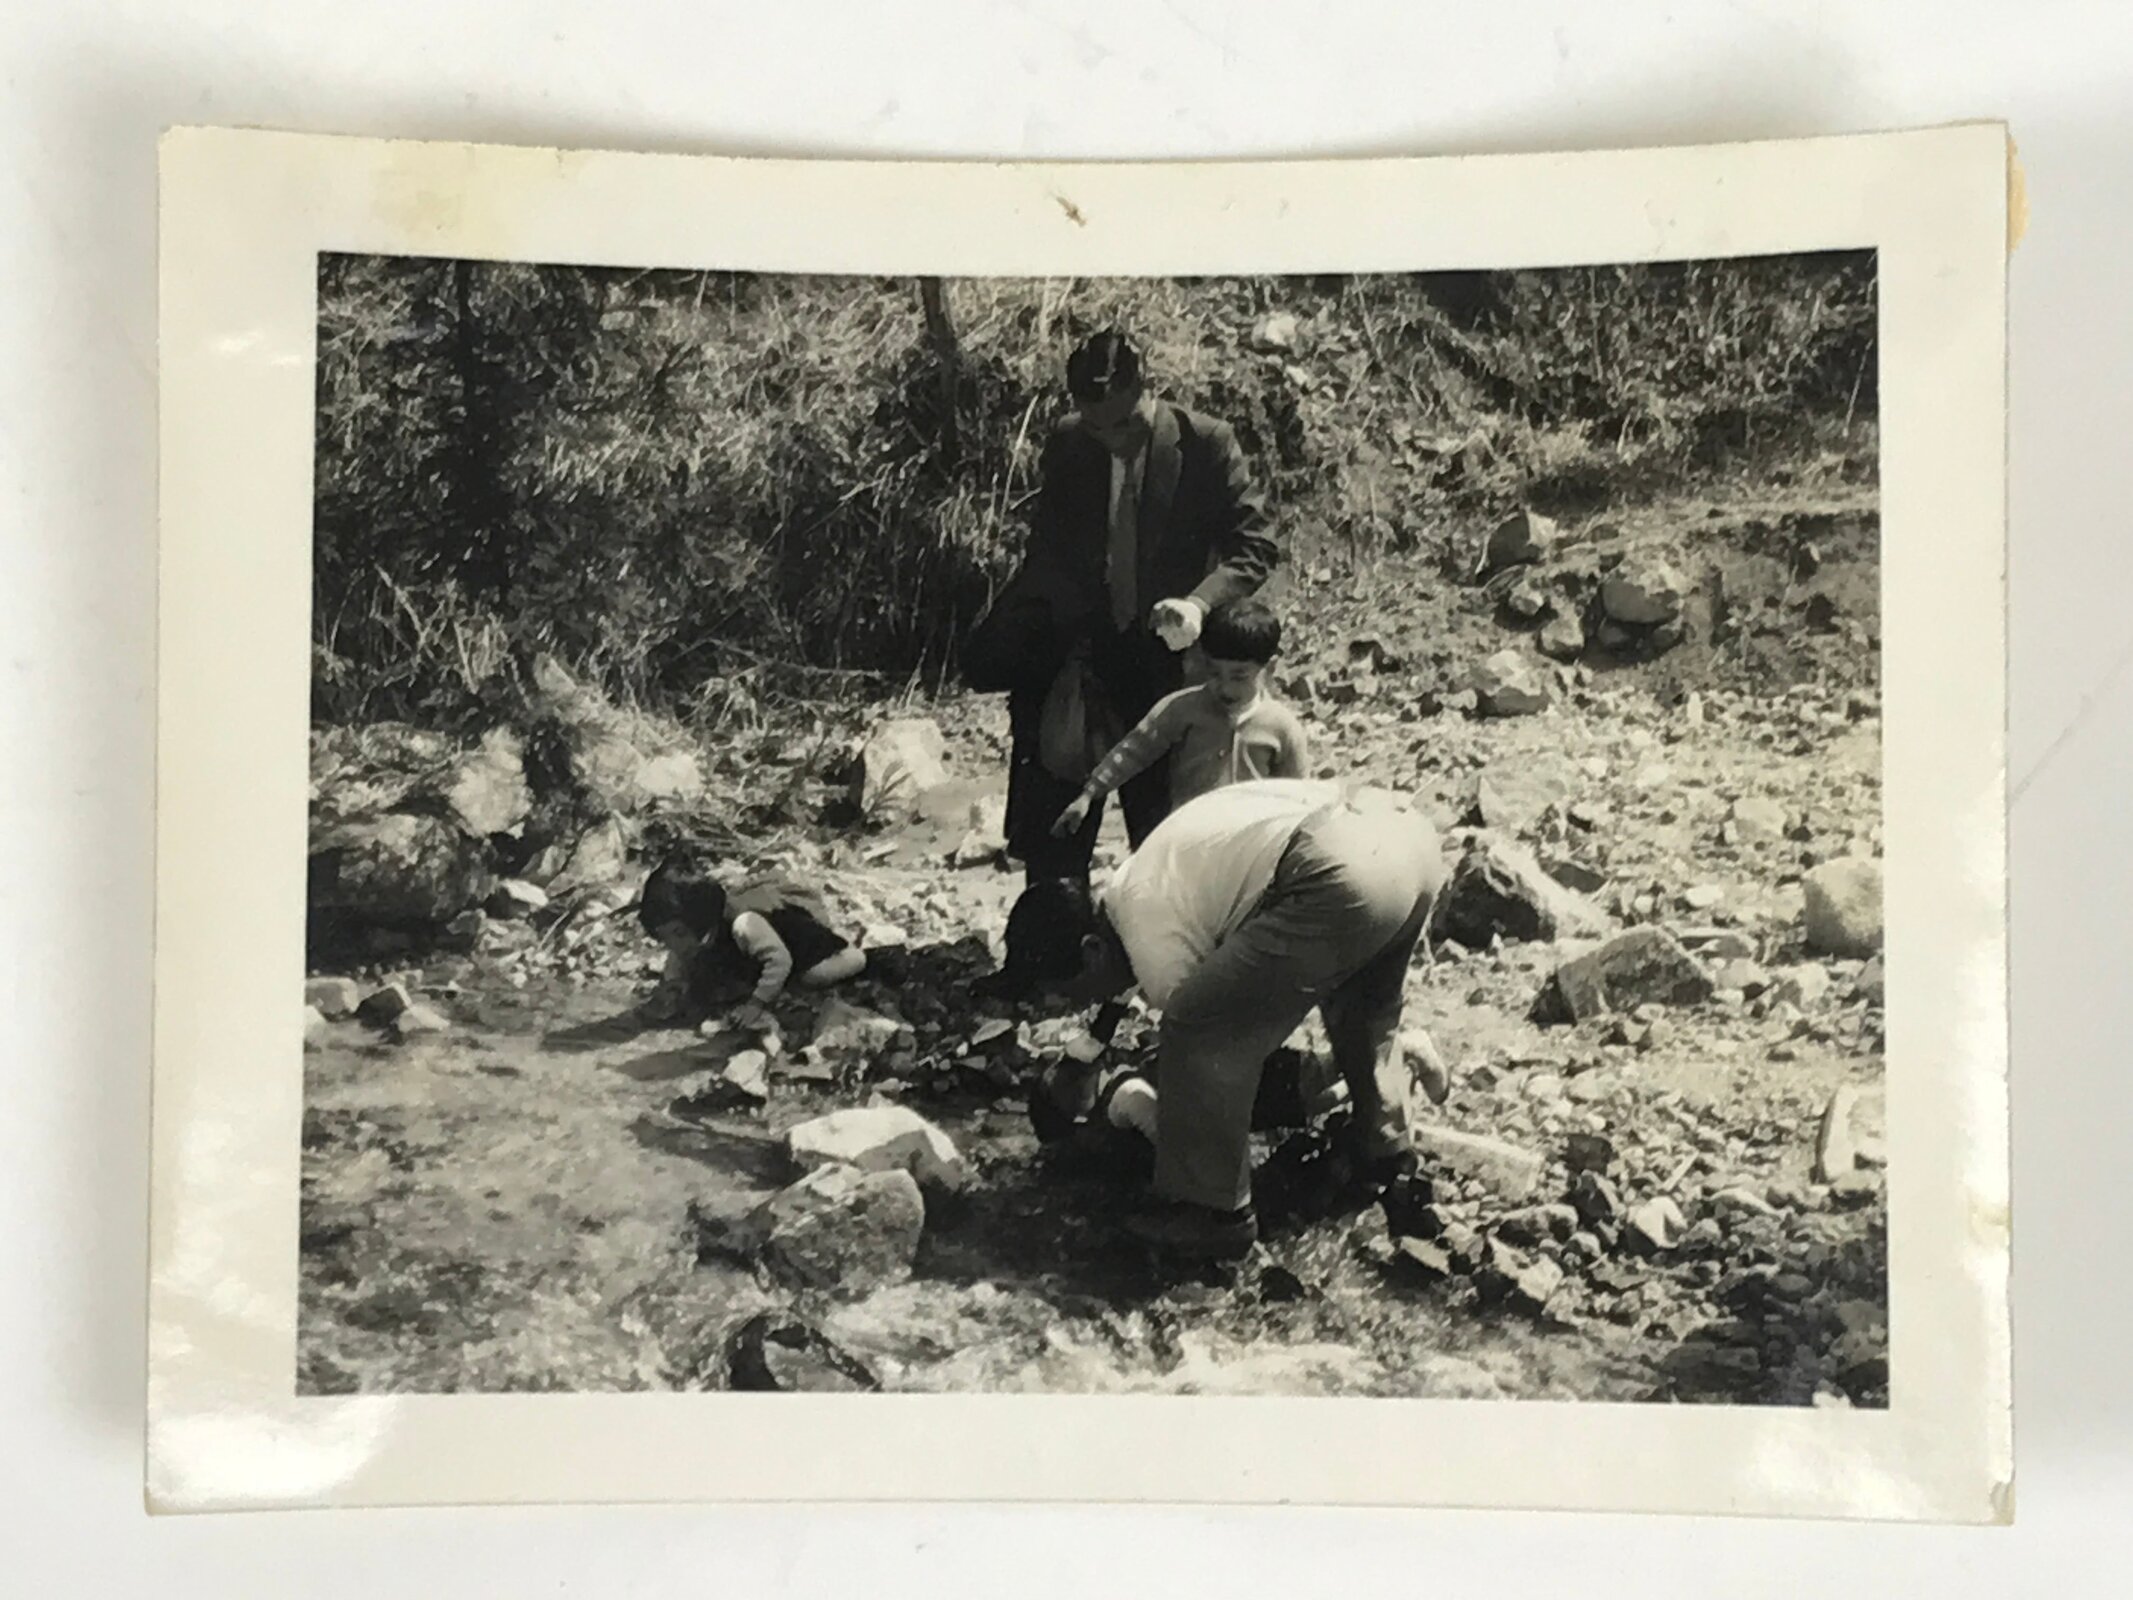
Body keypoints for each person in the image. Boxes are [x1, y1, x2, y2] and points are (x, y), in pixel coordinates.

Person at [1004, 779, 1451, 1261]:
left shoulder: (1148, 935)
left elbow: (1217, 1045)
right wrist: (1092, 1046)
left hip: (1339, 869)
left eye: (1070, 993)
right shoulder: (1132, 887)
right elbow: (1131, 975)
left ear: (1091, 951)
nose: (1077, 1006)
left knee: (1196, 1033)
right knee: (1364, 1012)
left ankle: (1216, 1215)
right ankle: (1385, 1151)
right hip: (1403, 839)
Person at [961, 330, 1277, 882]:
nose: (1113, 441)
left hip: (1169, 661)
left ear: (1147, 391)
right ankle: (1056, 926)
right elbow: (1048, 550)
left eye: (1126, 425)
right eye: (1097, 428)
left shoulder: (1206, 443)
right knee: (1055, 833)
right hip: (1082, 659)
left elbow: (1255, 547)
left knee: (1165, 839)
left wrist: (1199, 604)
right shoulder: (1070, 442)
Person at [1049, 597, 1307, 840]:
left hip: (1251, 841)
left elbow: (1297, 793)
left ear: (1269, 667)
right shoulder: (1183, 709)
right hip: (1191, 837)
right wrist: (1090, 792)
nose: (1225, 687)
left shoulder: (1281, 726)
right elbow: (1135, 749)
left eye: (1239, 677)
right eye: (1214, 673)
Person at [637, 854, 867, 1029]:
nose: (670, 944)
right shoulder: (692, 935)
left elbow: (780, 960)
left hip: (805, 950)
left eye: (676, 934)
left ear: (695, 924)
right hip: (757, 949)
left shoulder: (744, 924)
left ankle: (860, 959)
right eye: (663, 937)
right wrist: (673, 986)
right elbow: (677, 959)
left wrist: (756, 1004)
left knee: (812, 976)